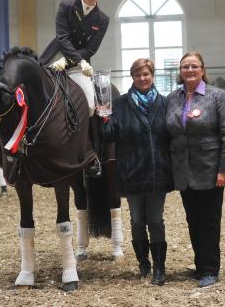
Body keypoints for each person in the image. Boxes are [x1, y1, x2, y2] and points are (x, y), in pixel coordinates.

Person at [99, 58, 173, 285]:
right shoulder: (119, 104)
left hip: (156, 171)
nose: (143, 78)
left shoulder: (164, 102)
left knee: (156, 220)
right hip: (131, 171)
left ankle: (159, 268)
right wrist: (103, 118)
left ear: (152, 76)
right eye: (138, 75)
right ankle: (144, 264)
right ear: (133, 77)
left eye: (146, 74)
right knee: (137, 221)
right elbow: (109, 135)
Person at [166, 51, 225, 288]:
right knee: (193, 219)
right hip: (183, 170)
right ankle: (200, 265)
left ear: (203, 69)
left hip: (209, 168)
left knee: (209, 220)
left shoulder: (218, 96)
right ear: (180, 71)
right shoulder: (173, 97)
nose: (189, 70)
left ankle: (210, 269)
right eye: (185, 67)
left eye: (194, 66)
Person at [40, 0, 110, 178]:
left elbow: (92, 48)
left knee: (90, 105)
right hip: (54, 58)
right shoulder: (66, 7)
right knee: (36, 96)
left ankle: (90, 153)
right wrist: (68, 58)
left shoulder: (102, 19)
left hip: (80, 67)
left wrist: (74, 62)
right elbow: (62, 37)